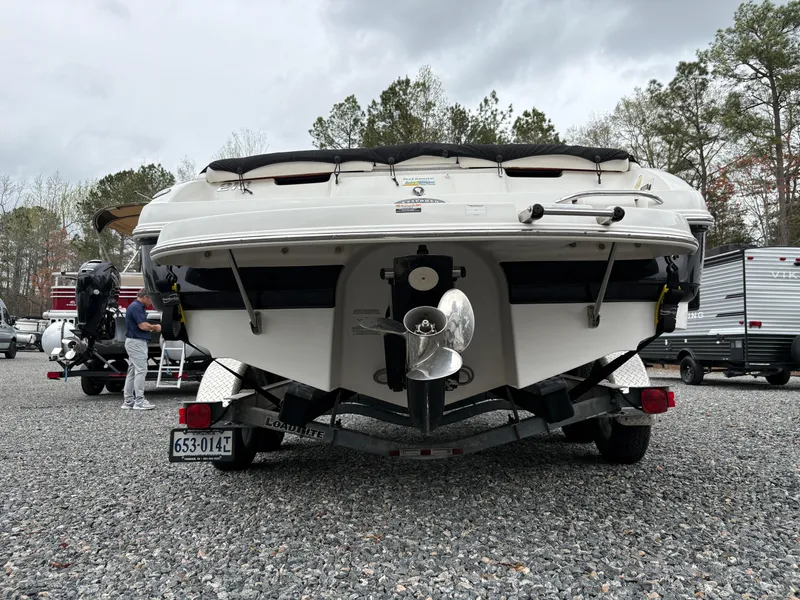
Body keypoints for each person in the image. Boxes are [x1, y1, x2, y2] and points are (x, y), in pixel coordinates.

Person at [121, 288, 161, 410]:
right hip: (137, 342)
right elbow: (143, 326)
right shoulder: (137, 307)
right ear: (146, 297)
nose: (151, 303)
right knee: (141, 371)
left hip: (132, 342)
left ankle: (128, 401)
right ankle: (139, 401)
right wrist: (155, 327)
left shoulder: (133, 306)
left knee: (132, 371)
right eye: (151, 300)